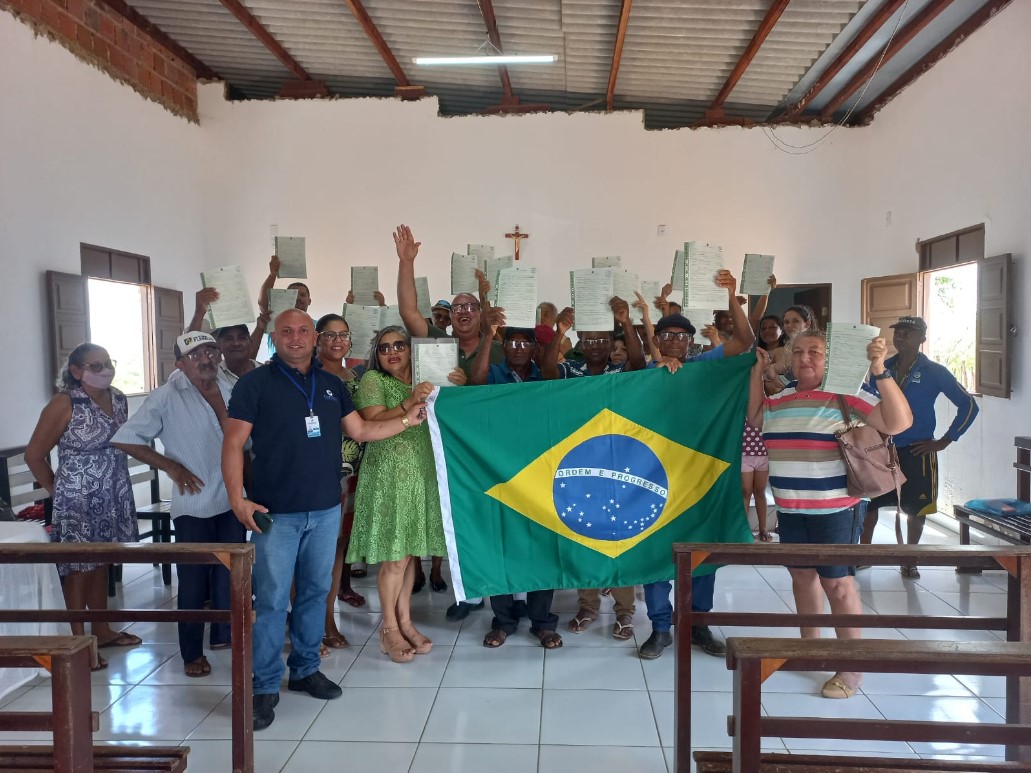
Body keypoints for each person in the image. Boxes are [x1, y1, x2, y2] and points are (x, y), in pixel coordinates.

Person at [222, 309, 427, 731]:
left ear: (314, 338)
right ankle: (262, 688)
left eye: (303, 331)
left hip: (325, 507)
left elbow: (362, 432)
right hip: (273, 512)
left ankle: (304, 669)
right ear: (275, 338)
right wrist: (236, 499)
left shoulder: (334, 385)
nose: (295, 338)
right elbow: (233, 441)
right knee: (274, 600)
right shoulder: (254, 384)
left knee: (316, 592)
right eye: (286, 332)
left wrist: (408, 418)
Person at [746, 329, 912, 699]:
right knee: (802, 578)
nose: (805, 358)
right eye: (799, 351)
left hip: (836, 509)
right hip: (790, 508)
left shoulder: (848, 395)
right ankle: (810, 650)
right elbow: (756, 419)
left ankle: (850, 666)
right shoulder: (782, 398)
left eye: (816, 352)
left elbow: (899, 423)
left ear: (830, 358)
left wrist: (879, 369)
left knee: (837, 584)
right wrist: (758, 373)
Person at [638, 270, 756, 661]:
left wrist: (732, 296)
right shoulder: (642, 375)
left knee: (703, 554)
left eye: (682, 336)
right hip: (653, 476)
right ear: (656, 340)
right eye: (667, 336)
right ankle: (659, 627)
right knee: (655, 550)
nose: (674, 341)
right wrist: (654, 376)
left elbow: (745, 342)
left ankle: (699, 624)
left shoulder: (707, 365)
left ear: (692, 342)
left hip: (701, 477)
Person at [111, 332, 243, 677]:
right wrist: (170, 466)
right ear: (180, 364)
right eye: (196, 354)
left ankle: (222, 635)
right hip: (194, 503)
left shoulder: (231, 388)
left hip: (233, 498)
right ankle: (190, 653)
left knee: (230, 575)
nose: (207, 358)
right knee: (194, 581)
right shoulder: (166, 397)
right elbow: (126, 437)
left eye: (211, 351)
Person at [346, 326, 464, 662]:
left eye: (399, 345)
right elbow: (371, 421)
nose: (392, 351)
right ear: (377, 354)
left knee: (410, 552)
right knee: (394, 558)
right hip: (389, 477)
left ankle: (406, 622)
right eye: (384, 348)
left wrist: (458, 385)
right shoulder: (373, 381)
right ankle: (388, 630)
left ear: (412, 350)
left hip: (422, 475)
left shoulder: (427, 379)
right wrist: (408, 403)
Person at [25, 344, 141, 670]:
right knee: (79, 567)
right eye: (96, 364)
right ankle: (78, 641)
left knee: (102, 560)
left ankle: (101, 630)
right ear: (77, 371)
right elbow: (34, 454)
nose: (105, 369)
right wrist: (58, 491)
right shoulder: (64, 403)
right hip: (77, 499)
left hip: (113, 493)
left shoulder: (118, 398)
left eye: (108, 362)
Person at [541, 296, 644, 639]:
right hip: (580, 466)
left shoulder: (619, 372)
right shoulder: (571, 370)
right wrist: (560, 331)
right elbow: (545, 371)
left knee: (620, 538)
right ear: (580, 345)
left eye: (602, 341)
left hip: (618, 467)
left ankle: (625, 610)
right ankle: (587, 604)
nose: (596, 347)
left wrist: (627, 323)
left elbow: (639, 362)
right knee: (583, 535)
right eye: (589, 341)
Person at [861, 316, 979, 578]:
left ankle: (909, 558)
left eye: (907, 333)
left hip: (918, 450)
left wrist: (946, 440)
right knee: (870, 504)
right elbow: (867, 401)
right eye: (897, 332)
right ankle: (862, 555)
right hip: (882, 450)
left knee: (917, 508)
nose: (900, 337)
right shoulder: (883, 367)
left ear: (922, 339)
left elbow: (969, 405)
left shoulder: (934, 371)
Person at [313, 314, 366, 652]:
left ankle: (328, 618)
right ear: (317, 340)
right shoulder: (310, 375)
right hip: (318, 472)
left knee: (337, 547)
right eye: (329, 335)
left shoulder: (356, 377)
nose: (337, 341)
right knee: (311, 552)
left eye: (342, 334)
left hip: (354, 472)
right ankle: (312, 623)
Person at [396, 224, 504, 377]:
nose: (463, 311)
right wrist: (406, 262)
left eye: (470, 307)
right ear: (451, 318)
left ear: (480, 314)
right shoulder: (437, 342)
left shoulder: (499, 350)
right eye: (456, 308)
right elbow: (408, 312)